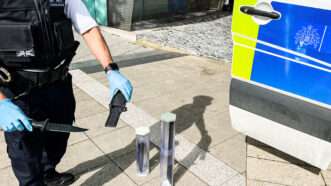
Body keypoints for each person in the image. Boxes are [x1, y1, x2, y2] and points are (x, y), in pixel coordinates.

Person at [0, 0, 133, 185]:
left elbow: (88, 28)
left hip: (58, 86)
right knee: (25, 154)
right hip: (18, 93)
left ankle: (48, 173)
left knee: (58, 140)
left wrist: (111, 70)